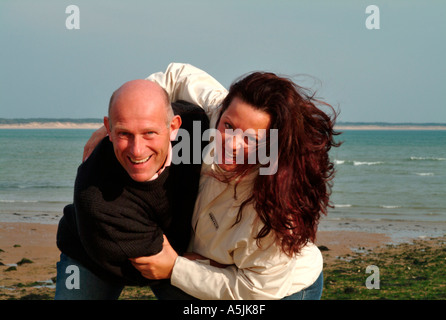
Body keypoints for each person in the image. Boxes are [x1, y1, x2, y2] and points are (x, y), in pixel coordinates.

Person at [84, 63, 340, 300]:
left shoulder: (277, 211)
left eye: (250, 139)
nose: (230, 143)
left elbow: (252, 288)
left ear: (271, 145)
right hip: (216, 267)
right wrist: (115, 126)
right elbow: (177, 76)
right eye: (228, 126)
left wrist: (176, 268)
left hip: (283, 290)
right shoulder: (220, 112)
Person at [55, 79, 209, 299]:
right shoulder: (96, 196)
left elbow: (180, 76)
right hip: (90, 257)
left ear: (174, 126)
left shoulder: (197, 127)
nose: (137, 151)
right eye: (124, 133)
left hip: (172, 252)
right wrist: (208, 262)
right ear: (108, 128)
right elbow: (158, 264)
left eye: (149, 133)